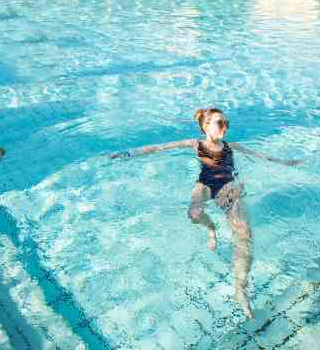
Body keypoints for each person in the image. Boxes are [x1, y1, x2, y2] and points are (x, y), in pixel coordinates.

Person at [109, 107, 300, 318]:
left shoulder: (232, 146)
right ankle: (211, 228)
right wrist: (129, 153)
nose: (225, 127)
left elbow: (263, 156)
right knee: (194, 214)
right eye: (220, 123)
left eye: (227, 123)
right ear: (206, 126)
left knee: (244, 235)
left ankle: (240, 289)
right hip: (205, 185)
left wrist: (287, 162)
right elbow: (159, 147)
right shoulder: (195, 144)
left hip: (227, 186)